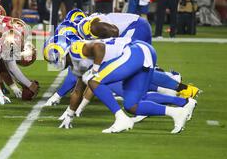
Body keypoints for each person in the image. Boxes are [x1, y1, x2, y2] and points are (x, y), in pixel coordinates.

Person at [44, 35, 196, 133]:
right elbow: (77, 91)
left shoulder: (76, 48)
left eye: (52, 59)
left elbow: (99, 47)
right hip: (140, 54)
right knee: (132, 106)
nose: (52, 63)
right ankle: (178, 111)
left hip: (135, 51)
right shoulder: (75, 65)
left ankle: (121, 119)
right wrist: (70, 115)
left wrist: (95, 70)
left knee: (94, 80)